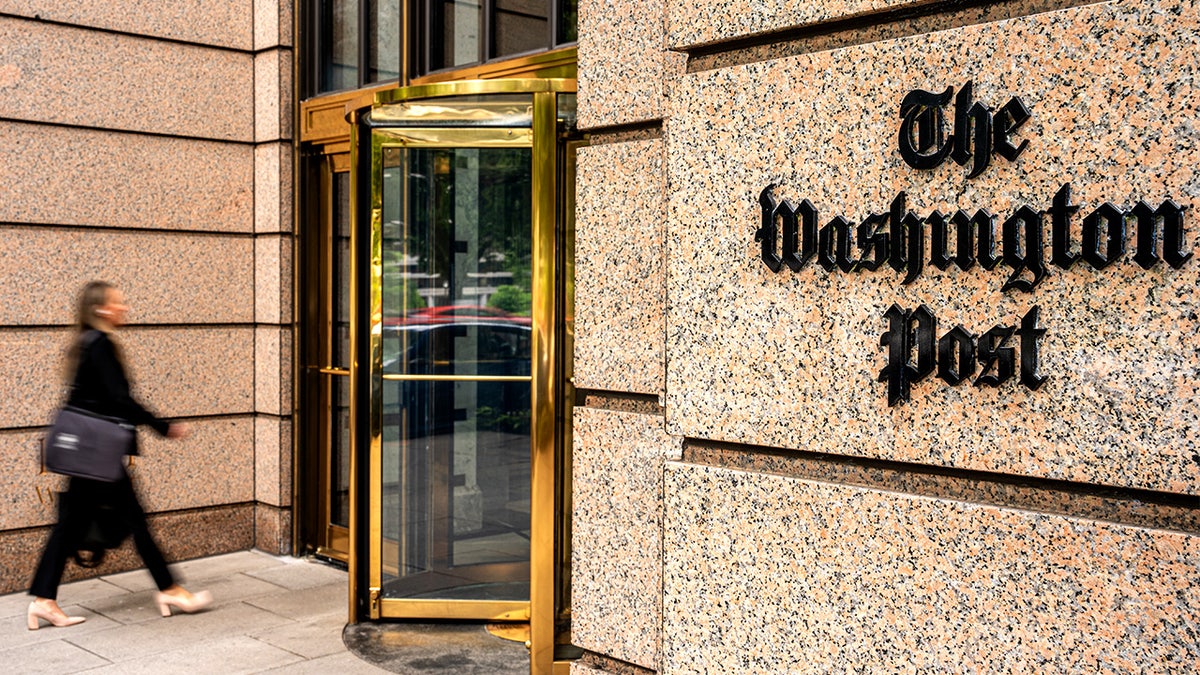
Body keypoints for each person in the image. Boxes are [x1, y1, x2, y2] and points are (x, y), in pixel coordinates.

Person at [28, 281, 212, 629]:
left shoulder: (86, 343)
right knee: (132, 521)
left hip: (91, 454)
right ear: (101, 309)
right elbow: (119, 400)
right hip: (97, 454)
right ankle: (170, 590)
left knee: (73, 524)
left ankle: (43, 600)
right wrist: (161, 426)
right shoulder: (100, 344)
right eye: (117, 302)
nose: (124, 307)